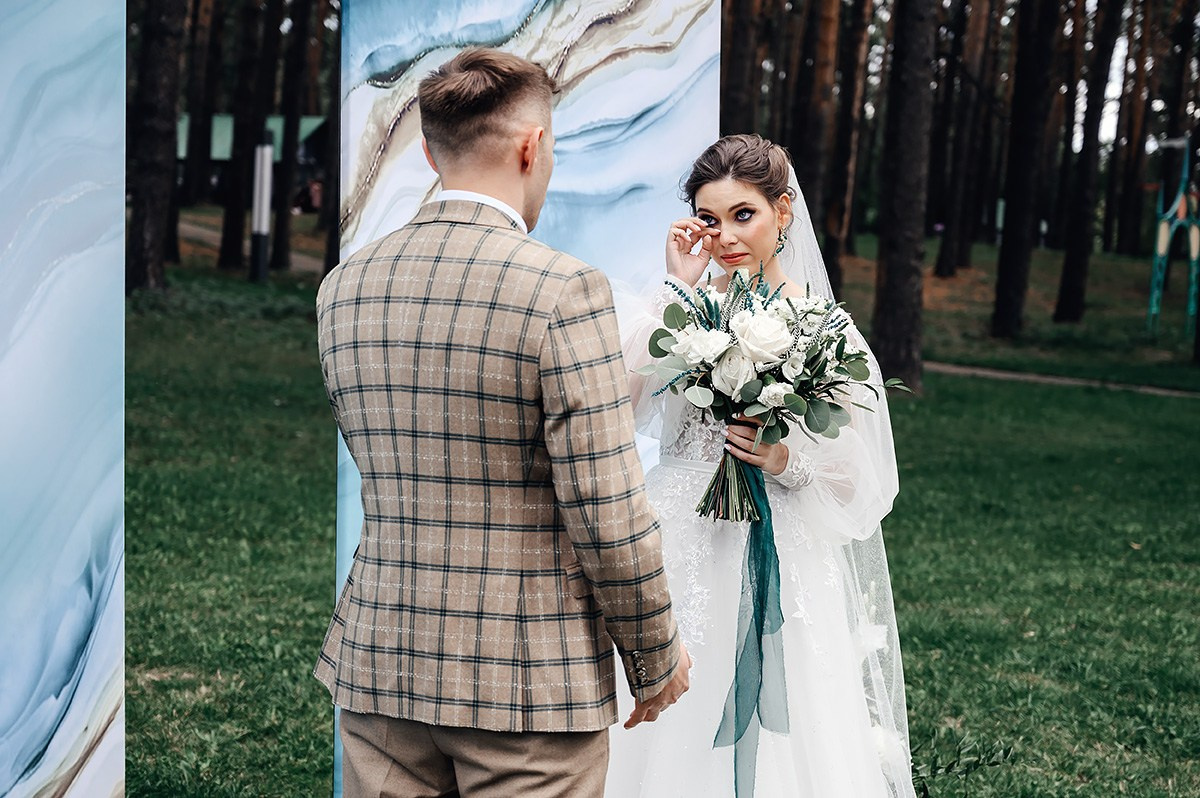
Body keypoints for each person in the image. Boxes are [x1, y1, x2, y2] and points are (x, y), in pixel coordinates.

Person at [313, 48, 691, 798]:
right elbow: (606, 507)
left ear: (428, 149)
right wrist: (654, 654)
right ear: (532, 145)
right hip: (528, 684)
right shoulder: (563, 291)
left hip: (380, 663)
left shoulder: (341, 289)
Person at [606, 134, 915, 797]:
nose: (725, 236)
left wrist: (786, 461)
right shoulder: (683, 312)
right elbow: (619, 404)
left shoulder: (824, 331)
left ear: (783, 212)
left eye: (743, 214)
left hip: (782, 544)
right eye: (710, 219)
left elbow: (865, 482)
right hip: (679, 543)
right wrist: (675, 285)